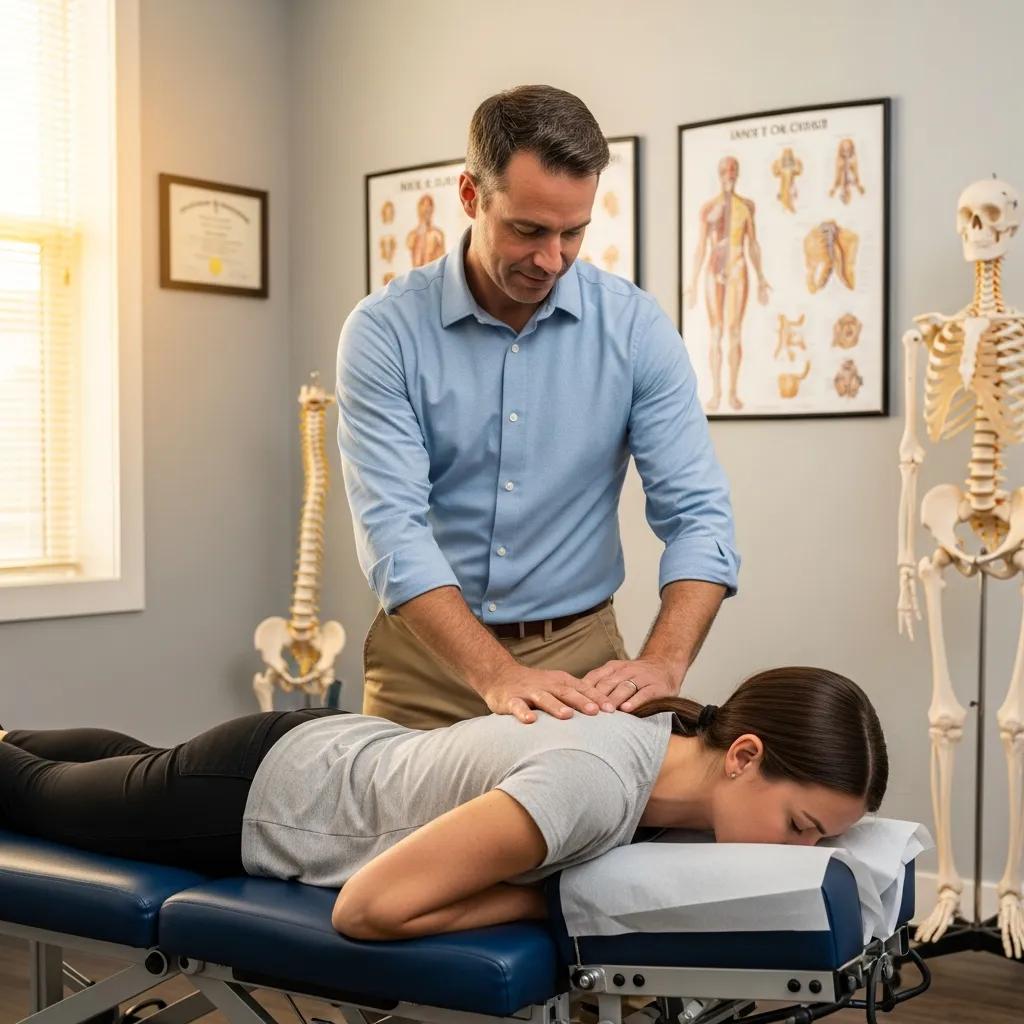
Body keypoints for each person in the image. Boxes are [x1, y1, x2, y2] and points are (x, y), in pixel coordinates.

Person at [337, 84, 739, 732]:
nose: (552, 259)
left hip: (580, 660)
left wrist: (666, 662)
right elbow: (393, 534)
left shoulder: (636, 330)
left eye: (573, 232)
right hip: (425, 664)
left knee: (591, 837)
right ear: (471, 196)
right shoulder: (384, 333)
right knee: (397, 836)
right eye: (527, 230)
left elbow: (700, 518)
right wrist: (497, 675)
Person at [0, 666, 886, 942]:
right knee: (39, 798)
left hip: (317, 751)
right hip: (252, 802)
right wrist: (549, 898)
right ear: (743, 757)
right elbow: (367, 909)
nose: (801, 855)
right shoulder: (595, 784)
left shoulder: (665, 766)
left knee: (121, 767)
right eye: (802, 829)